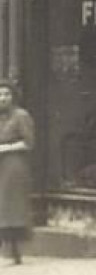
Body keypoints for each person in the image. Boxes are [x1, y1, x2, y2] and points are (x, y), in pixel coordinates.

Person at [0, 80, 34, 265]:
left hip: (13, 164)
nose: (3, 98)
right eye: (0, 94)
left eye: (6, 94)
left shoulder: (21, 116)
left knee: (10, 207)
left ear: (13, 97)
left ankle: (16, 250)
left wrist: (4, 149)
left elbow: (28, 142)